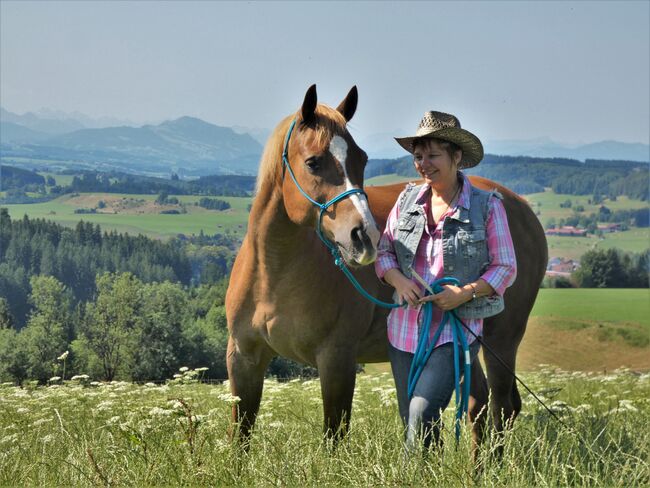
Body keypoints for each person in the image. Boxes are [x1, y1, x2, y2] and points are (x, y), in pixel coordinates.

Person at [374, 110, 517, 450]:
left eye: (433, 155)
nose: (424, 163)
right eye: (418, 156)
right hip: (404, 329)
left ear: (456, 157)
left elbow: (505, 266)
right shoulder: (406, 201)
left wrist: (463, 293)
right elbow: (384, 254)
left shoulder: (486, 207)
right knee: (412, 419)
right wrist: (399, 282)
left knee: (422, 413)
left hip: (453, 330)